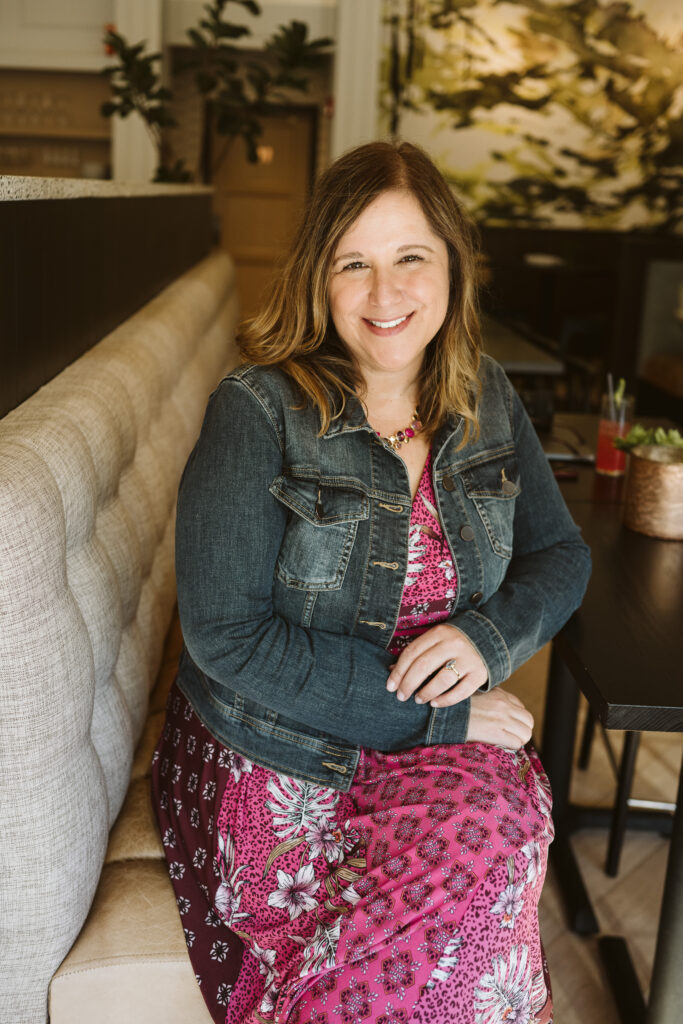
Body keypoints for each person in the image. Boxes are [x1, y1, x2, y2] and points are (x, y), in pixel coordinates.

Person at [152, 140, 590, 1024]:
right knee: (494, 833)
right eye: (354, 263)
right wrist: (444, 716)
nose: (385, 295)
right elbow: (226, 639)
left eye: (409, 259)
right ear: (318, 278)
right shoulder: (258, 410)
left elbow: (561, 555)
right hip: (280, 747)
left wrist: (486, 638)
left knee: (501, 818)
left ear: (452, 270)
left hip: (420, 734)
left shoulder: (486, 395)